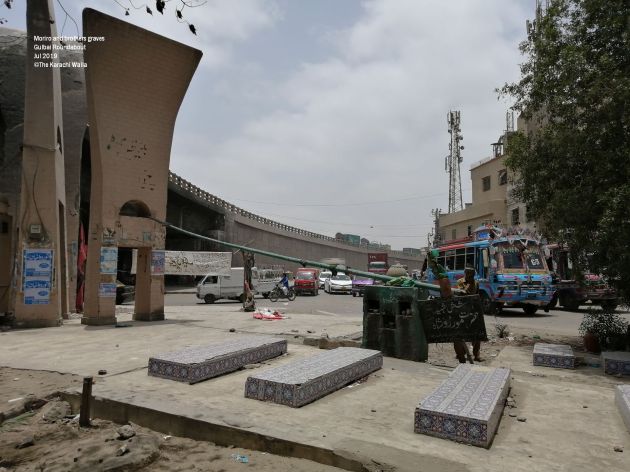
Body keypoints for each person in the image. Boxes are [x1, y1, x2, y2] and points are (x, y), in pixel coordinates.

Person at [453, 266, 483, 363]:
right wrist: (469, 284)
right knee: (461, 334)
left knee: (477, 334)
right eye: (469, 273)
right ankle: (460, 354)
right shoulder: (460, 282)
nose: (471, 276)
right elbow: (462, 293)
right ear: (465, 273)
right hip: (462, 310)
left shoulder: (476, 283)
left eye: (472, 274)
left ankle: (476, 355)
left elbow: (477, 295)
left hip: (472, 310)